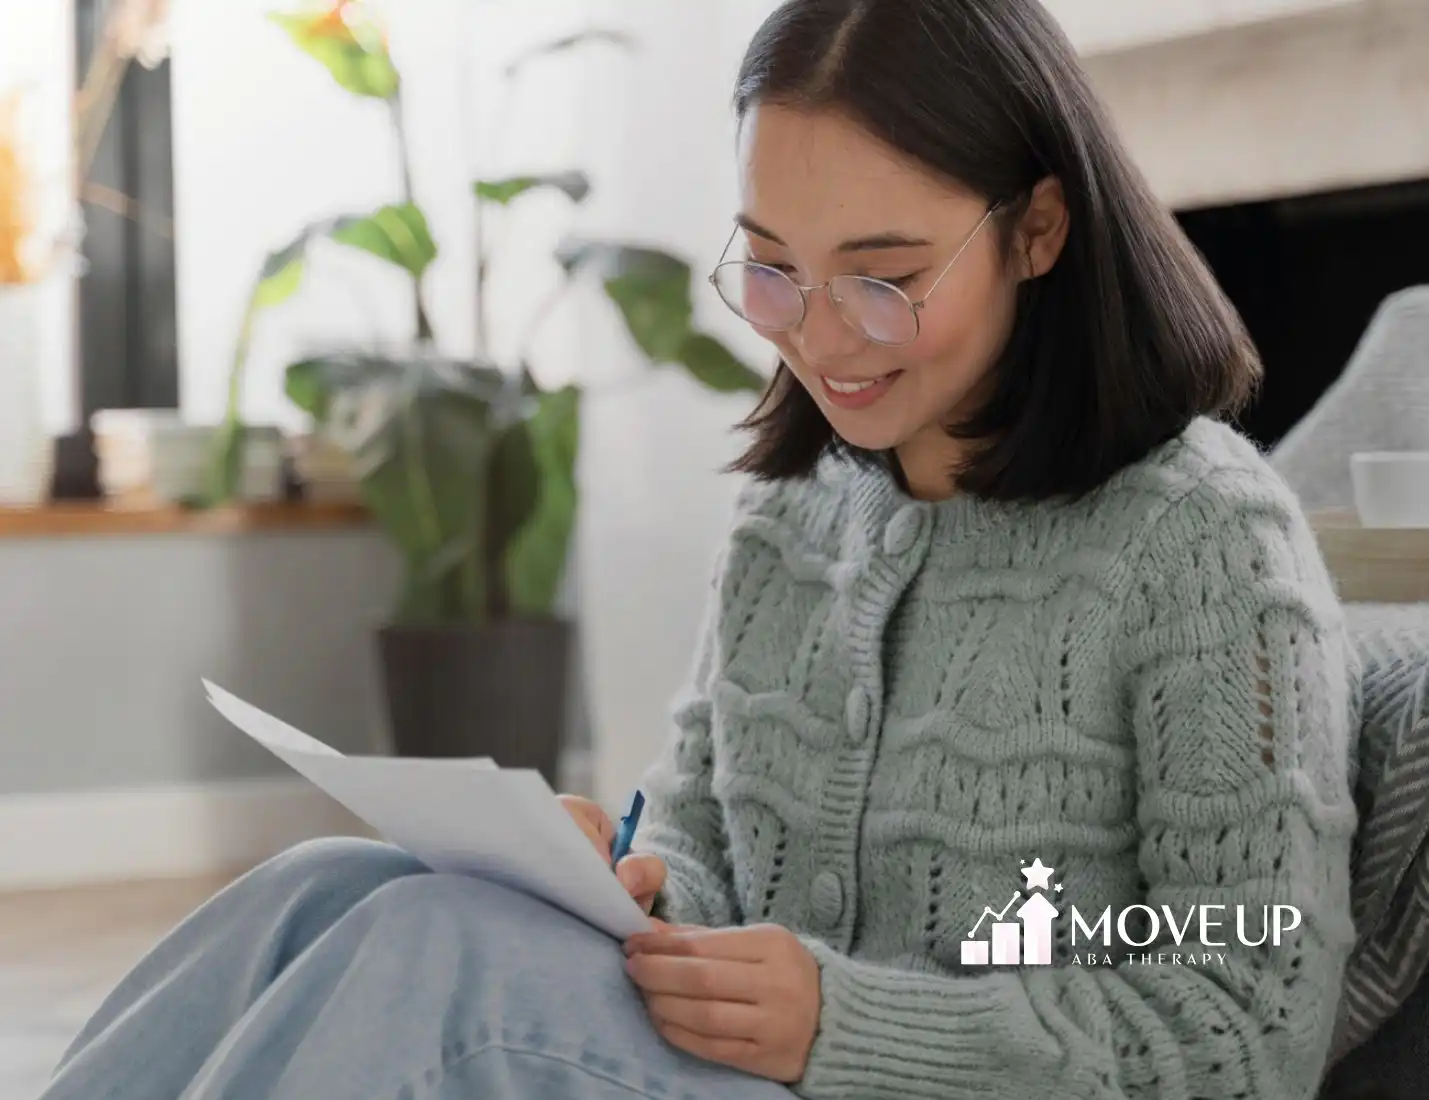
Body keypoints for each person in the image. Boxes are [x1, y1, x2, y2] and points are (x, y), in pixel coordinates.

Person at [42, 1, 1360, 1098]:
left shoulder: (1202, 543)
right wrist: (623, 881)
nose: (821, 337)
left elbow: (1249, 1024)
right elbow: (705, 849)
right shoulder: (797, 520)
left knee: (429, 957)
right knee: (331, 883)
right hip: (738, 1070)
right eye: (775, 270)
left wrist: (851, 1028)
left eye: (884, 277)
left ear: (1040, 230)